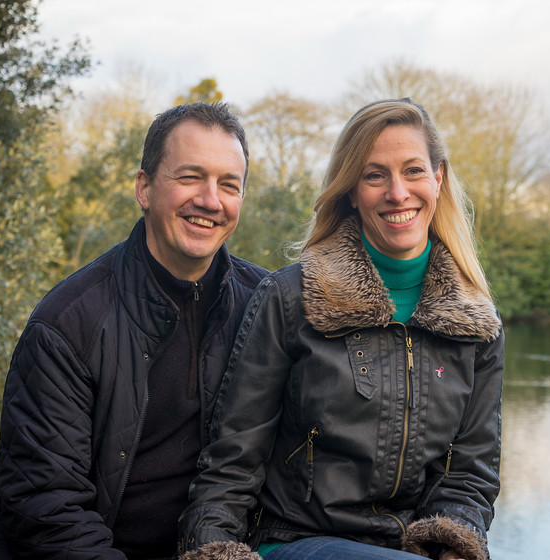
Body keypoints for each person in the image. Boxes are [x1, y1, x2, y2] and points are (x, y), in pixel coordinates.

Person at [177, 98, 504, 560]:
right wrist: (213, 550)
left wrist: (453, 546)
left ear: (438, 179)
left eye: (413, 171)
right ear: (351, 191)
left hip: (408, 551)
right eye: (375, 176)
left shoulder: (476, 324)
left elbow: (470, 475)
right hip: (294, 541)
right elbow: (232, 461)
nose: (397, 192)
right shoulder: (291, 299)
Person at [0, 102, 269, 560]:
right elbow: (47, 505)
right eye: (190, 177)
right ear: (144, 188)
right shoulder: (68, 322)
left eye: (229, 185)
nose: (210, 200)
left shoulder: (264, 306)